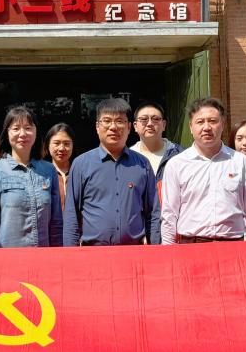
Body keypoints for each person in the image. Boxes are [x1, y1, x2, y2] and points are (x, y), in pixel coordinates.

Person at [160, 98, 246, 243]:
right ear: (191, 127)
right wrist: (168, 250)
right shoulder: (176, 164)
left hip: (233, 245)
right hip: (191, 246)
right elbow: (169, 214)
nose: (207, 127)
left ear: (223, 125)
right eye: (200, 122)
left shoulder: (240, 162)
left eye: (213, 121)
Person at [64, 98, 160, 246]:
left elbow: (153, 213)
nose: (113, 127)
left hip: (134, 251)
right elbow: (71, 214)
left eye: (120, 121)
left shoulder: (142, 164)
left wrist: (155, 249)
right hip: (94, 252)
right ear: (97, 126)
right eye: (107, 121)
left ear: (129, 127)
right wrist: (71, 253)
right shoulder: (81, 164)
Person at [0, 106, 62, 248]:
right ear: (7, 133)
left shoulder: (49, 170)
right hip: (6, 258)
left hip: (43, 256)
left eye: (28, 128)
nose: (22, 134)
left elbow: (56, 224)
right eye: (16, 128)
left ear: (36, 132)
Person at [129, 101, 182, 181]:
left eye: (156, 119)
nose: (150, 124)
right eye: (144, 119)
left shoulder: (180, 154)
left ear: (164, 125)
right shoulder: (127, 157)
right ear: (135, 126)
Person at [43, 123, 76, 212]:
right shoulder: (41, 174)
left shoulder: (79, 172)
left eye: (66, 143)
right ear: (47, 145)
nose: (61, 148)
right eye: (56, 143)